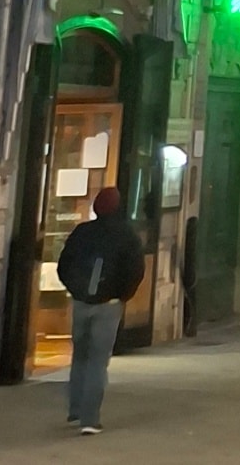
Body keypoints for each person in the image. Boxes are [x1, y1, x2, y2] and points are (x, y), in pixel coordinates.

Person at [56, 186, 146, 435]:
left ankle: (75, 410)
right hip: (109, 305)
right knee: (98, 361)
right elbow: (135, 271)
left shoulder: (82, 232)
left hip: (82, 303)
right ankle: (89, 418)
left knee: (80, 357)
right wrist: (121, 295)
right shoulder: (127, 235)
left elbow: (64, 265)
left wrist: (77, 291)